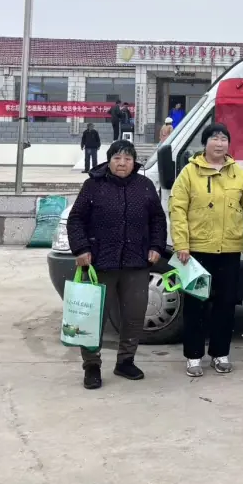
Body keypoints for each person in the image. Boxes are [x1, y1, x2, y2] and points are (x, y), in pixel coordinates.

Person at [66, 140, 167, 390]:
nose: (122, 163)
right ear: (109, 161)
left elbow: (157, 219)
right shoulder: (93, 185)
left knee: (134, 315)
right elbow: (76, 219)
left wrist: (156, 246)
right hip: (100, 263)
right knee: (93, 317)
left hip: (136, 262)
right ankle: (91, 365)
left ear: (134, 163)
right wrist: (81, 248)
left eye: (128, 159)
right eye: (117, 158)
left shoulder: (144, 186)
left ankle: (125, 361)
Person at [170, 123, 243, 377]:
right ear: (205, 143)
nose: (219, 143)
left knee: (226, 304)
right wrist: (181, 244)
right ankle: (193, 356)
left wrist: (232, 226)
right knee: (196, 305)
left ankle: (220, 353)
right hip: (197, 251)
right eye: (214, 138)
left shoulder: (237, 173)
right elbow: (177, 210)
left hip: (229, 250)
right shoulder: (189, 173)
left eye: (223, 139)